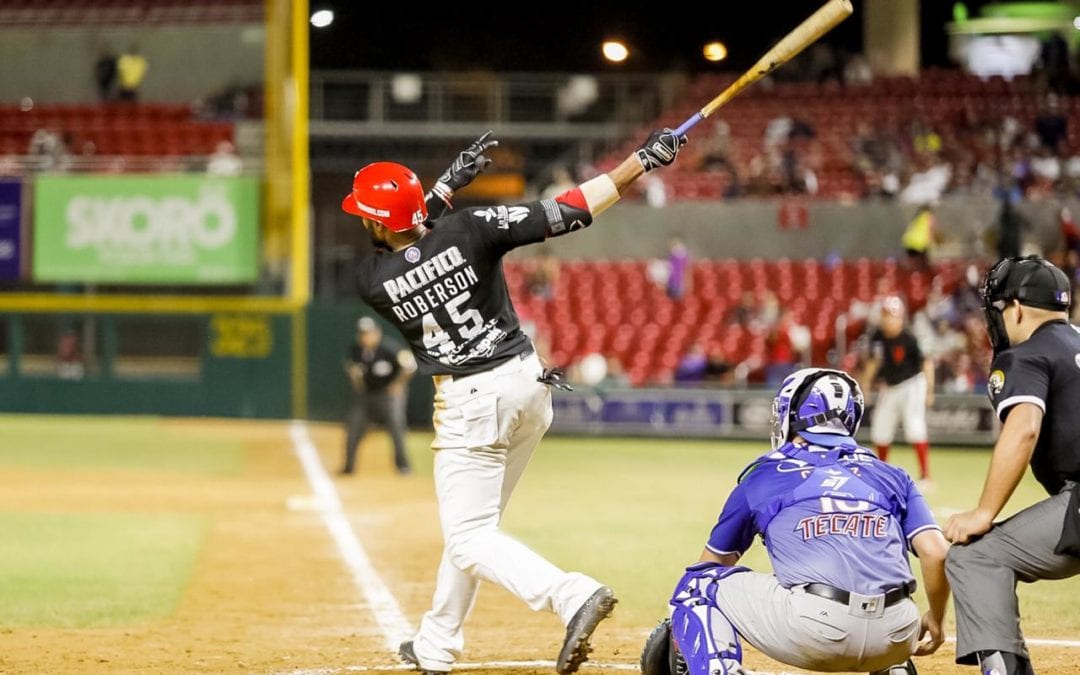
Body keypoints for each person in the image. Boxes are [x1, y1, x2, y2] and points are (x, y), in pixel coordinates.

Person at [341, 127, 685, 674]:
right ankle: (436, 643)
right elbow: (568, 209)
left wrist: (443, 189)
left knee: (469, 539)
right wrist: (638, 163)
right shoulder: (470, 230)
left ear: (379, 222)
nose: (362, 221)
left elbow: (412, 239)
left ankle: (571, 595)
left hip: (471, 405)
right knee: (473, 531)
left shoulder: (371, 280)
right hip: (528, 387)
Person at [639, 368, 949, 675]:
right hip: (898, 633)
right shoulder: (892, 474)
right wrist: (936, 618)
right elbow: (936, 553)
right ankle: (893, 669)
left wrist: (680, 634)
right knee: (882, 612)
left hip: (818, 629)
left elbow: (712, 564)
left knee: (697, 585)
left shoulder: (765, 473)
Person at [944, 255, 1080, 675]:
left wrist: (984, 513)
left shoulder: (1026, 354)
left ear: (1016, 308)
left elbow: (1023, 429)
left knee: (973, 558)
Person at [860, 296, 934, 485]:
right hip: (890, 386)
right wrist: (865, 384)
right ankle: (881, 473)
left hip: (912, 384)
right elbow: (874, 362)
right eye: (885, 315)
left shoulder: (909, 338)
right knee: (880, 428)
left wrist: (929, 390)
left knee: (914, 427)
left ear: (900, 317)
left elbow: (926, 363)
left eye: (891, 316)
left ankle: (926, 475)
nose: (888, 320)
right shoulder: (878, 336)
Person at [341, 316, 416, 475]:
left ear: (377, 333)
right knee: (353, 427)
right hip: (366, 396)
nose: (365, 337)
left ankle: (403, 466)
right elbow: (351, 368)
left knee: (397, 426)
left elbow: (410, 365)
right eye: (362, 334)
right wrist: (356, 379)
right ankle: (348, 467)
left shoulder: (390, 348)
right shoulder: (356, 350)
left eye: (368, 333)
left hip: (388, 397)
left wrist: (398, 384)